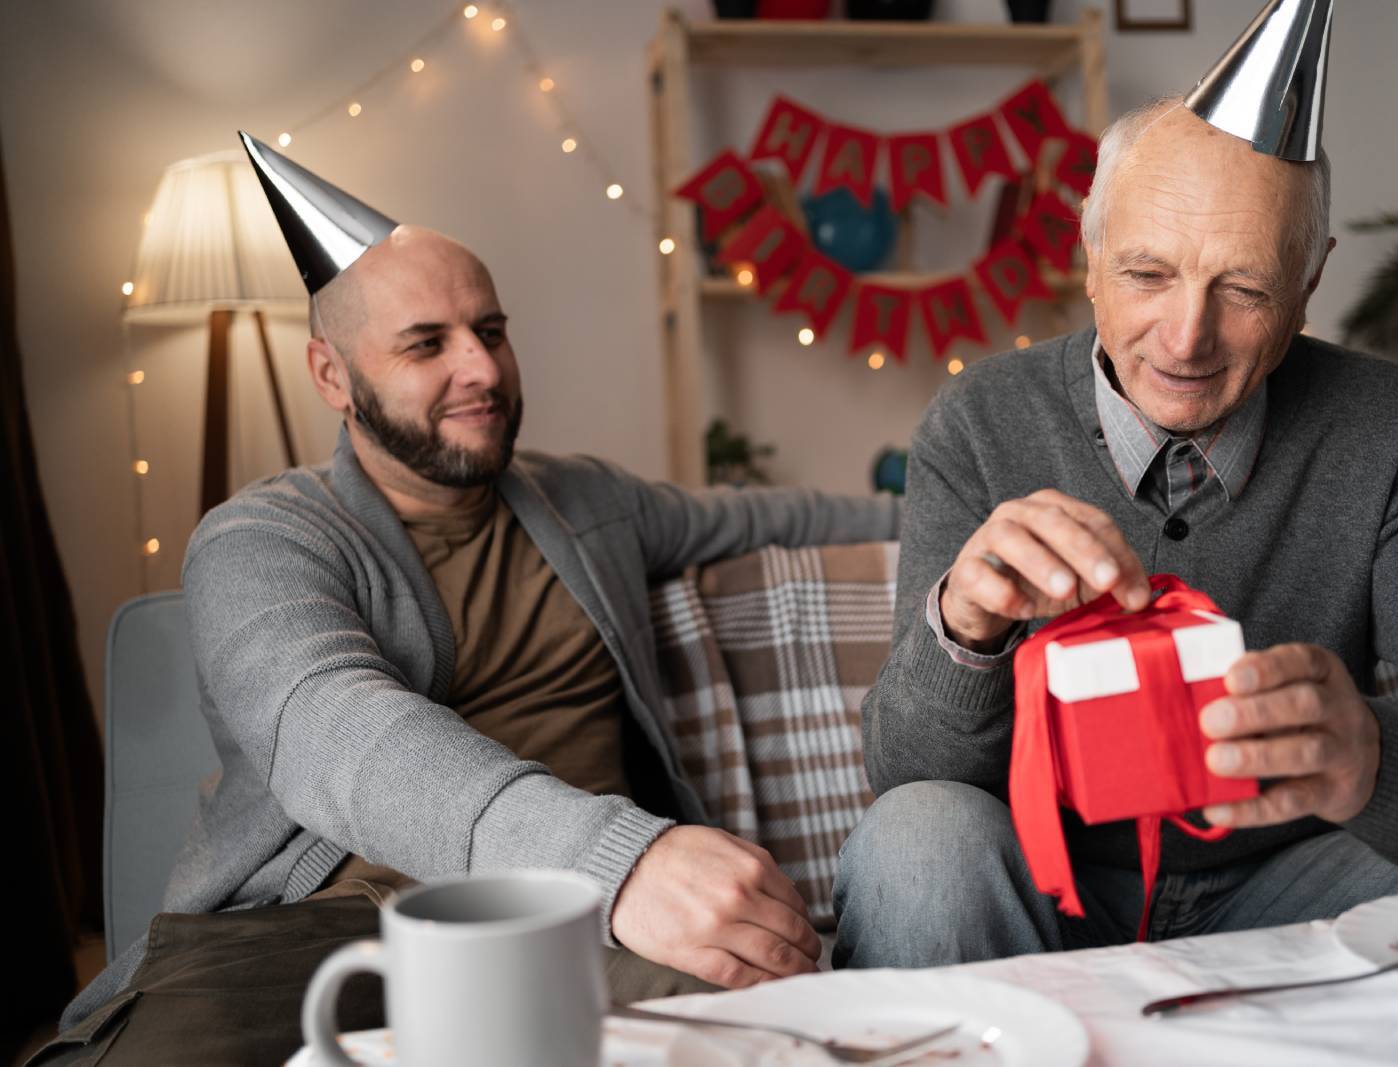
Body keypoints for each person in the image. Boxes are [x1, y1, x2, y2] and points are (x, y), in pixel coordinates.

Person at [42, 136, 896, 1064]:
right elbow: (339, 729)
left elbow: (783, 517)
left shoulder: (590, 504)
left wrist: (962, 502)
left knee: (758, 1039)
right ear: (333, 376)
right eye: (426, 345)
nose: (481, 370)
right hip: (314, 935)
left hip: (583, 931)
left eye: (490, 331)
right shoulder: (263, 540)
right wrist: (624, 859)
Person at [832, 45, 1398, 966]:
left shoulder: (1394, 431)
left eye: (1242, 289)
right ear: (1089, 255)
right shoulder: (981, 420)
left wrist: (1375, 755)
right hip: (1047, 886)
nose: (1187, 338)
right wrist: (966, 628)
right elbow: (906, 773)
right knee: (917, 838)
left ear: (1311, 280)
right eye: (1148, 274)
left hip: (1296, 883)